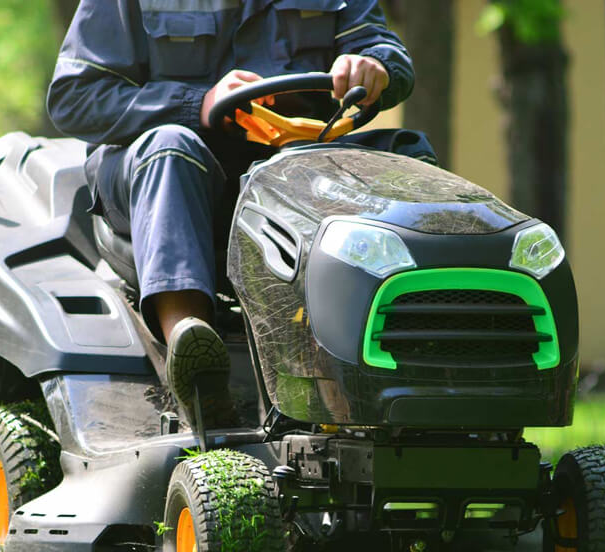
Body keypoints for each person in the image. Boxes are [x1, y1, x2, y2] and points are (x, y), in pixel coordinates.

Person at [47, 0, 416, 430]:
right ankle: (191, 350)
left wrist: (374, 65)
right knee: (171, 147)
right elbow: (75, 98)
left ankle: (420, 354)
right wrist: (195, 103)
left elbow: (383, 51)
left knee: (406, 155)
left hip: (294, 169)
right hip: (161, 172)